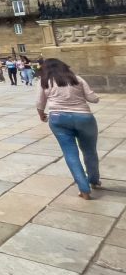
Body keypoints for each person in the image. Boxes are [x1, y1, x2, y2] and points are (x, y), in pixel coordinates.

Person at [37, 59, 101, 199]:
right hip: (84, 118)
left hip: (58, 119)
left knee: (70, 153)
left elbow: (40, 103)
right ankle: (94, 180)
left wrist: (41, 115)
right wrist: (95, 96)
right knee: (90, 151)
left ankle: (84, 189)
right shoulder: (76, 79)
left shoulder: (44, 81)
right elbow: (93, 98)